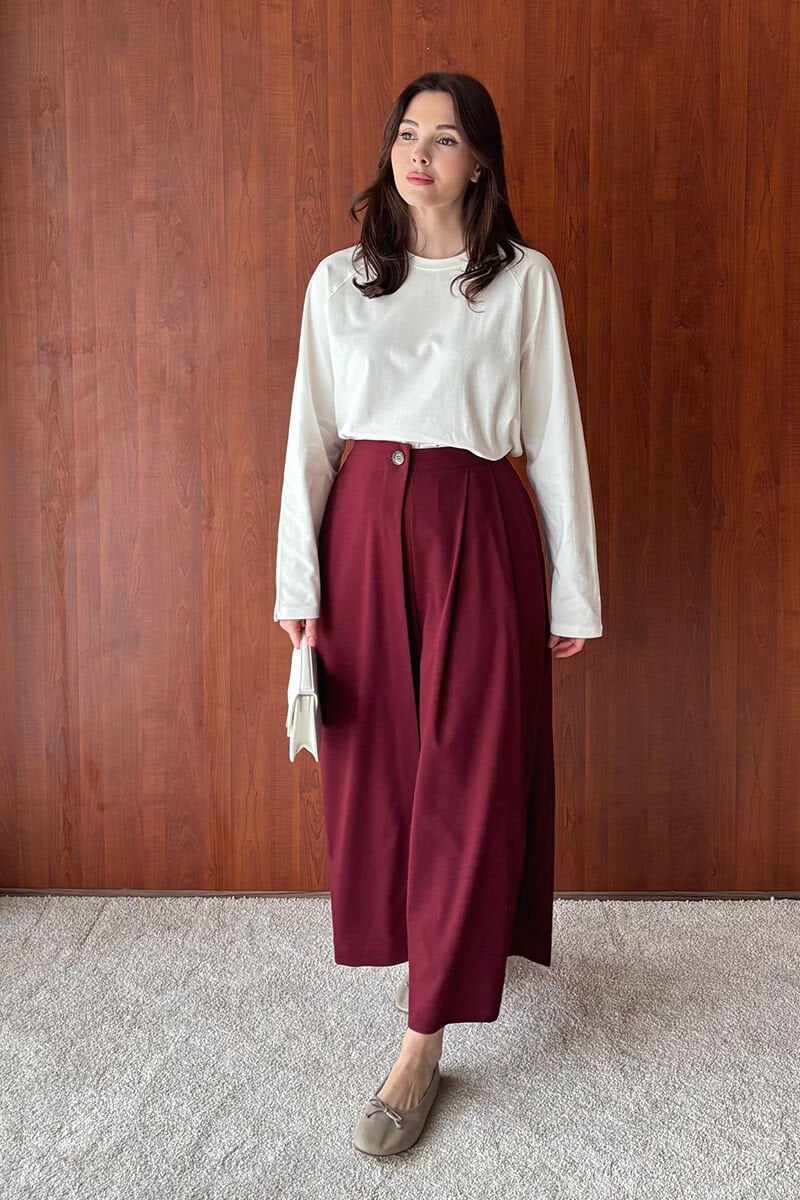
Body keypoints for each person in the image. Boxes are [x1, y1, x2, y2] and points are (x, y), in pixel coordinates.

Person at [273, 71, 603, 1155]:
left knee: (471, 768)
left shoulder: (522, 281)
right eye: (407, 134)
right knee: (377, 770)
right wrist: (298, 587)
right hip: (364, 531)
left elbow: (554, 436)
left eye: (446, 137)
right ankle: (420, 952)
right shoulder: (339, 281)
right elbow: (312, 438)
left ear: (479, 162)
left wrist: (573, 588)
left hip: (478, 525)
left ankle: (422, 1040)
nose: (419, 154)